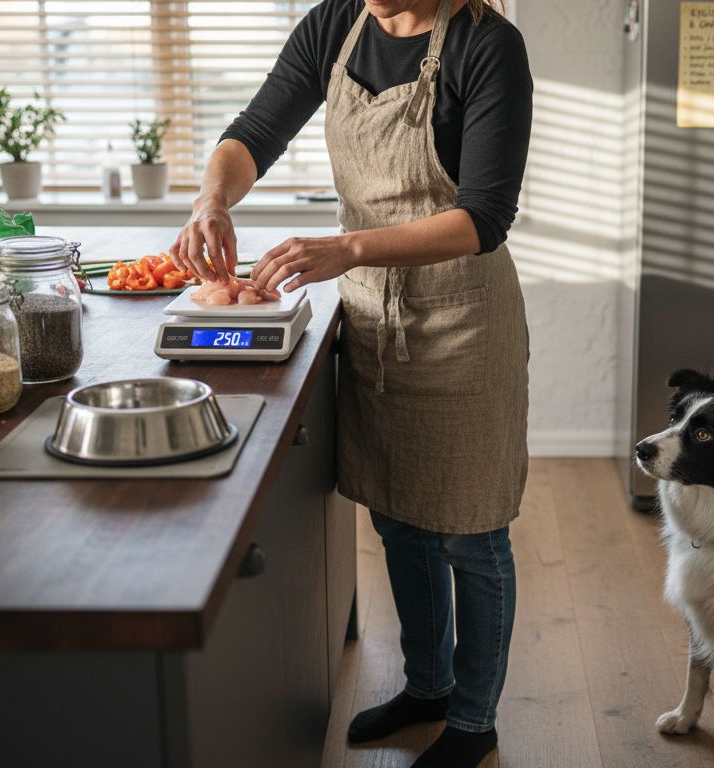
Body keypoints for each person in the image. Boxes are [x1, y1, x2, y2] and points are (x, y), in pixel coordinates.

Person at [169, 1, 532, 766]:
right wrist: (211, 198)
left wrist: (349, 247)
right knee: (399, 517)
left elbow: (484, 217)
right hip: (371, 312)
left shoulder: (488, 46)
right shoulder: (335, 25)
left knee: (470, 533)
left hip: (461, 319)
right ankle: (428, 687)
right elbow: (254, 132)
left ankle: (474, 722)